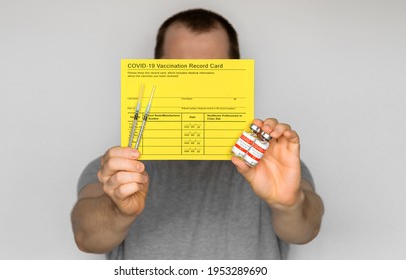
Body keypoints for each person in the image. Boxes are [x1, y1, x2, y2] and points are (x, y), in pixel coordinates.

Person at [71, 8, 324, 259]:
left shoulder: (275, 164)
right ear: (155, 73)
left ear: (237, 77)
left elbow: (305, 230)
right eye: (179, 71)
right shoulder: (116, 168)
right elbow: (86, 237)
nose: (193, 88)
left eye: (211, 72)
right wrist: (118, 210)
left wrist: (288, 205)